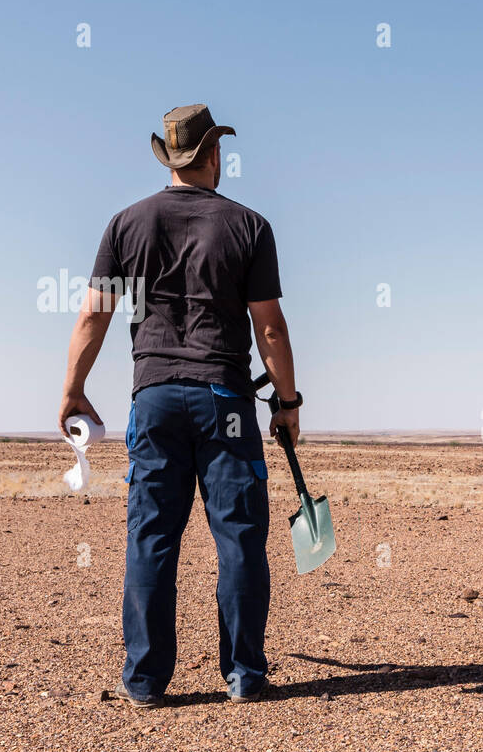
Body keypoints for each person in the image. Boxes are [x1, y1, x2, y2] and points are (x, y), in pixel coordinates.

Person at [58, 104, 303, 708]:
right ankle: (244, 674)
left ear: (169, 158)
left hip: (156, 396)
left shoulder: (126, 224)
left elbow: (94, 312)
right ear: (214, 155)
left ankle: (144, 681)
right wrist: (288, 402)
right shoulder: (250, 227)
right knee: (240, 538)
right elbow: (269, 327)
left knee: (151, 539)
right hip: (225, 397)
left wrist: (72, 389)